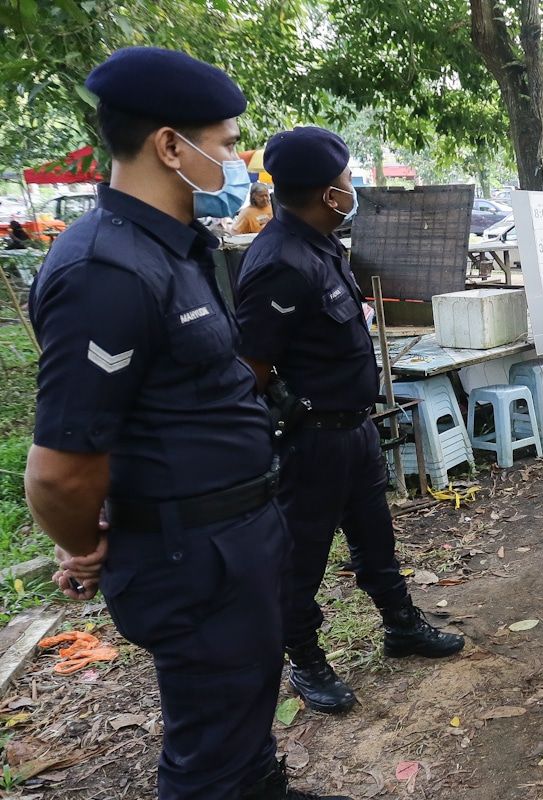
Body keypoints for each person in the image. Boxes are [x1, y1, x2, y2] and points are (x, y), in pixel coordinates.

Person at [23, 47, 344, 800]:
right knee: (209, 748)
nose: (241, 163)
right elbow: (60, 469)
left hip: (235, 530)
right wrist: (81, 545)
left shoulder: (177, 249)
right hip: (187, 550)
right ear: (171, 145)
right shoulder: (107, 271)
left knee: (242, 705)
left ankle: (259, 782)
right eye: (229, 144)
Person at [236, 127, 464, 716]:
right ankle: (306, 659)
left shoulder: (321, 246)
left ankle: (401, 626)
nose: (353, 187)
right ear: (326, 195)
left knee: (375, 540)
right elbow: (251, 367)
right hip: (311, 442)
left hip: (355, 430)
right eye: (346, 180)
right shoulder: (280, 260)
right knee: (301, 558)